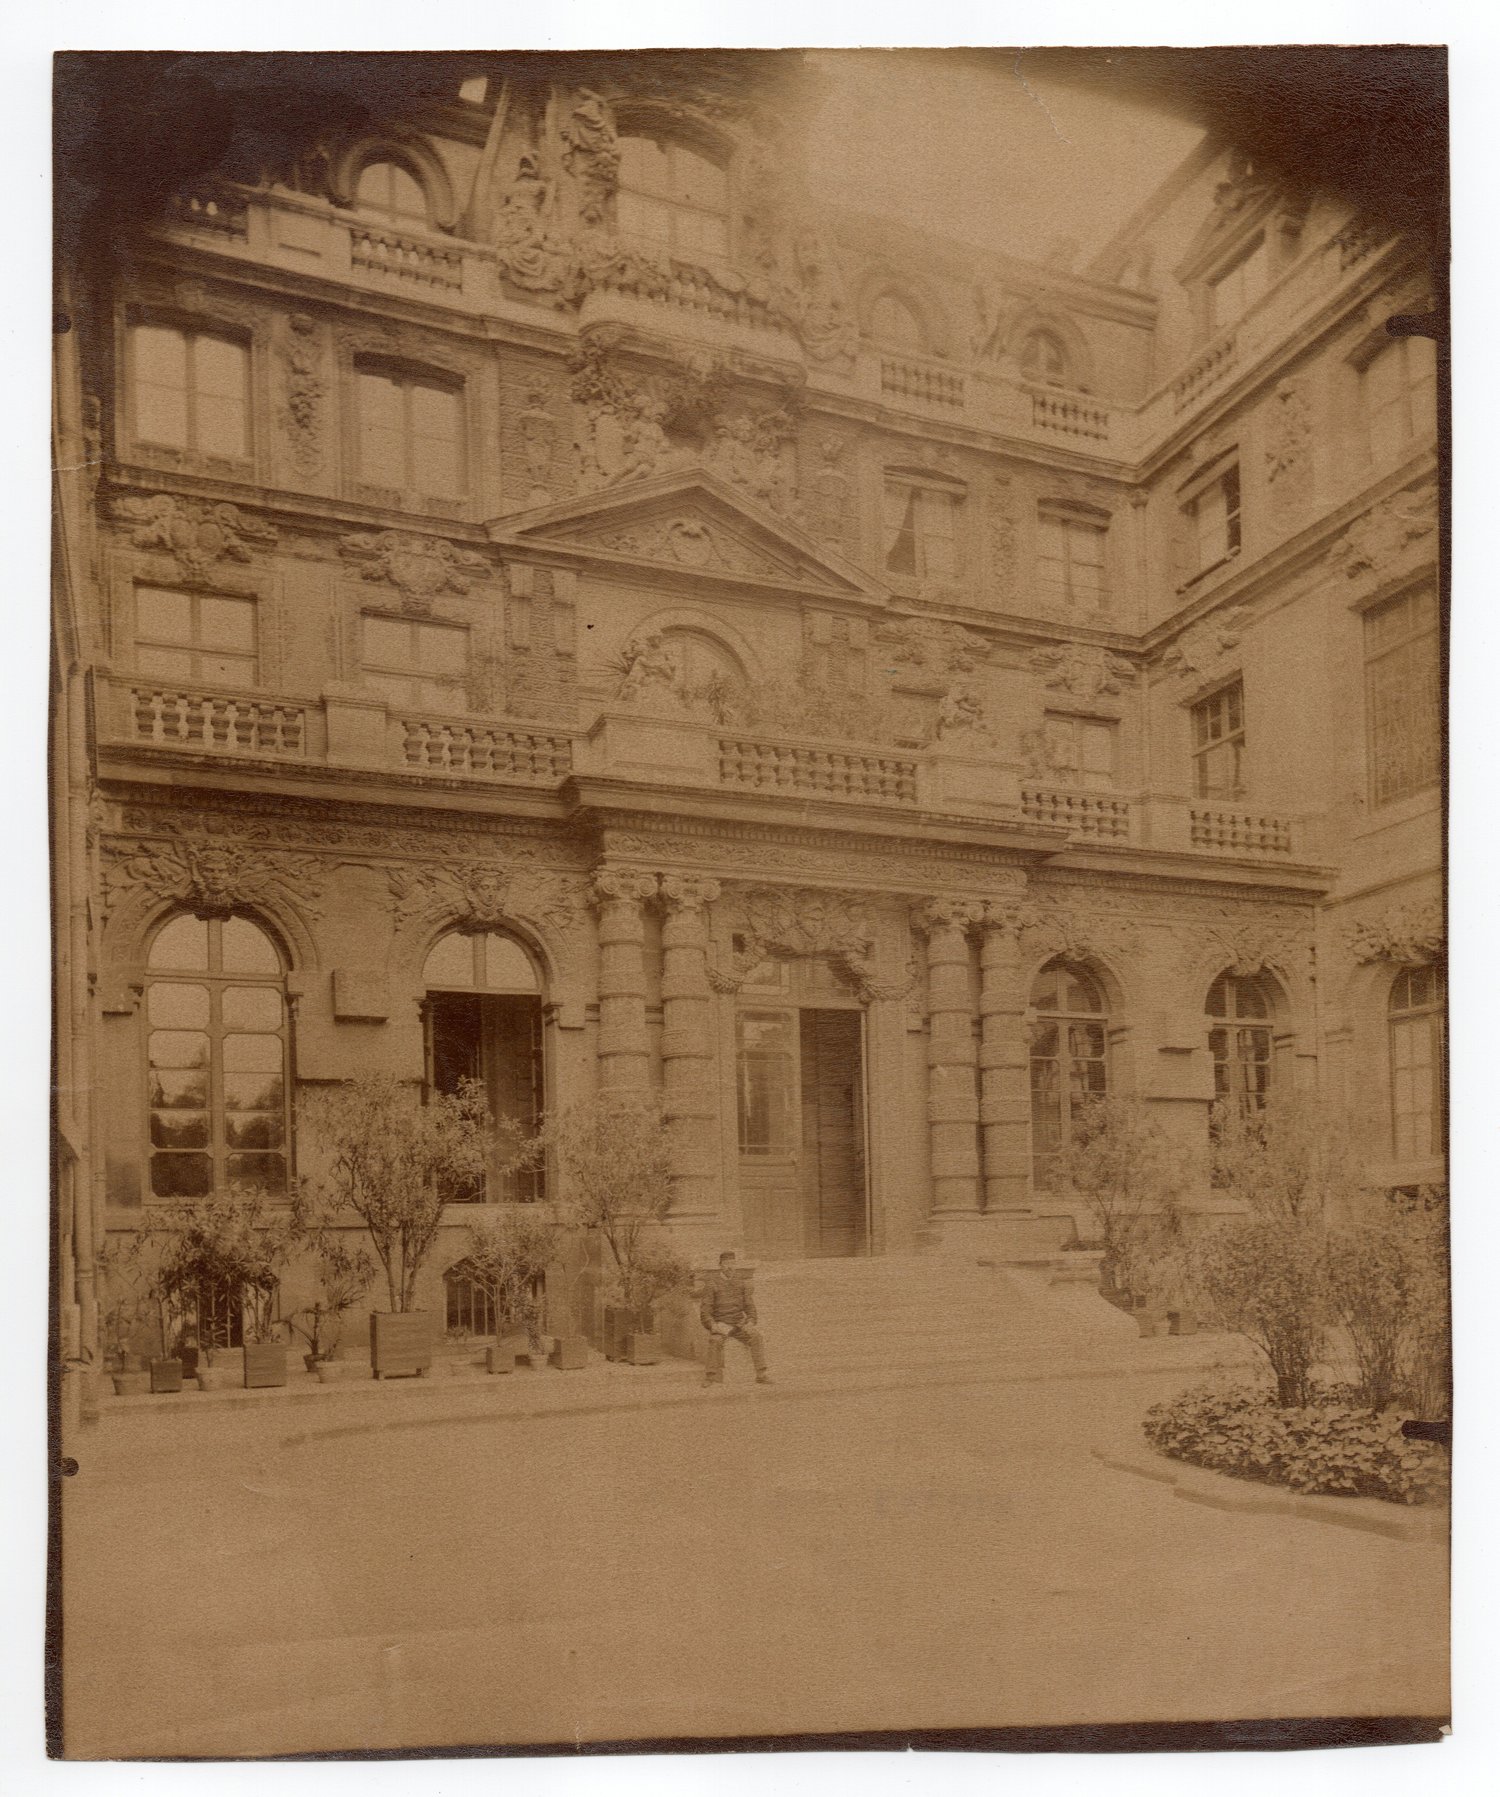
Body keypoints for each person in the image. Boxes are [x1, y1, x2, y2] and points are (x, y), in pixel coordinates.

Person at [699, 1251, 771, 1386]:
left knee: (756, 1337)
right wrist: (713, 1325)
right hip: (721, 1324)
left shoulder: (741, 1283)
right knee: (714, 1341)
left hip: (738, 1324)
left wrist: (750, 1320)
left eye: (732, 1264)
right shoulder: (712, 1284)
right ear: (720, 1266)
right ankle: (710, 1376)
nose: (729, 1267)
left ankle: (761, 1374)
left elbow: (750, 1306)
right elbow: (705, 1311)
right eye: (726, 1264)